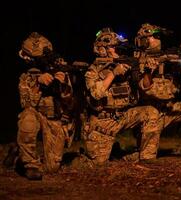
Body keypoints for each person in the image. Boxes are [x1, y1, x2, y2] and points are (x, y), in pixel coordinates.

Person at [134, 23, 181, 162]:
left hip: (169, 109)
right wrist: (149, 70)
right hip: (149, 113)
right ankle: (135, 153)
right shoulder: (137, 60)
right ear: (143, 40)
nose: (158, 39)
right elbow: (145, 87)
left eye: (159, 36)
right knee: (147, 158)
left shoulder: (166, 58)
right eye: (154, 36)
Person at [83, 28, 160, 165]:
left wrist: (148, 71)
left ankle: (147, 158)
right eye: (113, 47)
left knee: (150, 112)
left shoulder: (126, 64)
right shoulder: (93, 70)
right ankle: (86, 156)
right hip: (104, 121)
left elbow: (144, 86)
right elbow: (96, 94)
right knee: (98, 163)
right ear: (102, 49)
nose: (117, 50)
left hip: (124, 116)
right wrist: (113, 73)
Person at [17, 32, 74, 180]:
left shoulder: (59, 70)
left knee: (52, 168)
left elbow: (69, 102)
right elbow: (26, 104)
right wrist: (38, 84)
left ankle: (17, 152)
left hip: (53, 119)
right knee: (27, 118)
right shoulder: (26, 77)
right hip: (37, 115)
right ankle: (30, 164)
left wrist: (62, 84)